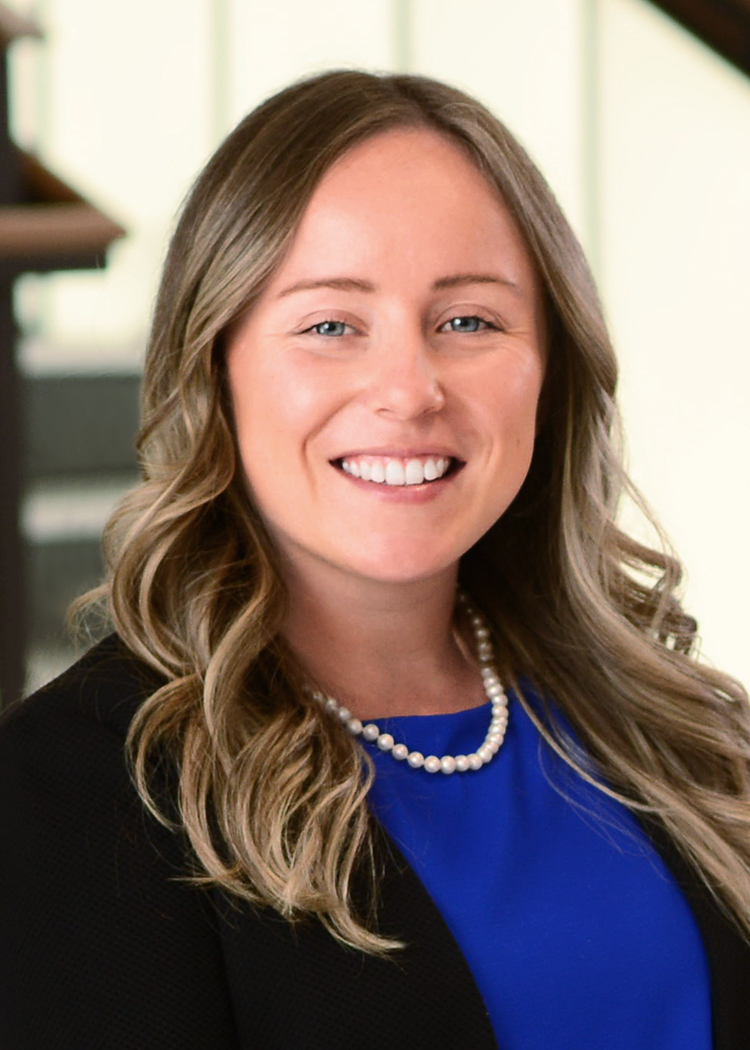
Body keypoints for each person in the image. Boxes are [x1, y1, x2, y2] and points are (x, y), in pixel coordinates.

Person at [1, 69, 749, 1050]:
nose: (409, 388)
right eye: (330, 326)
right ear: (213, 370)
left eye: (469, 320)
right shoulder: (77, 791)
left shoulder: (678, 730)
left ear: (551, 365)